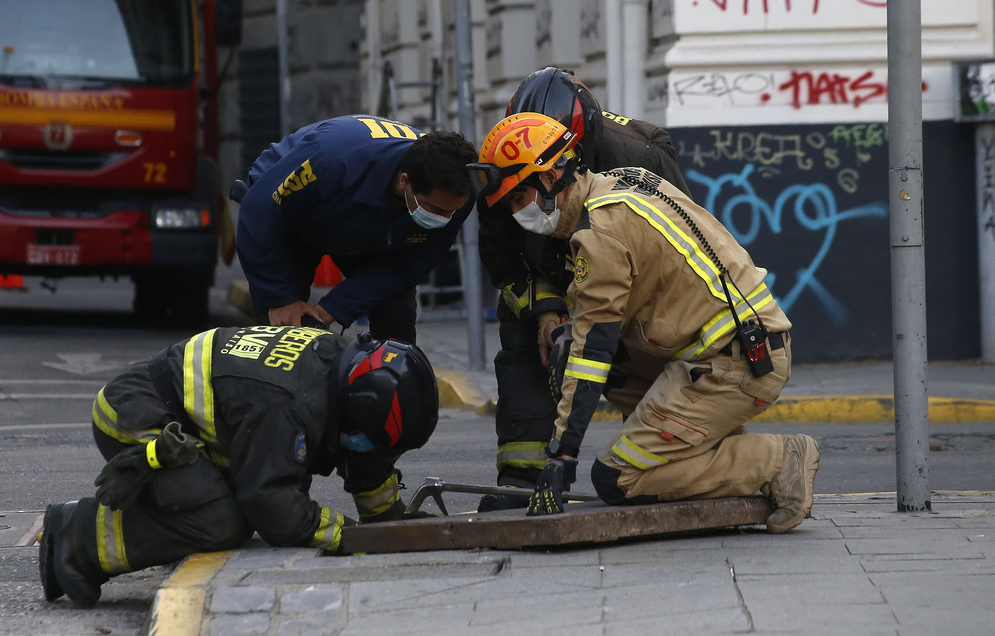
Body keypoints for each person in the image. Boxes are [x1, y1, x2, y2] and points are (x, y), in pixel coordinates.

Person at [468, 113, 819, 533]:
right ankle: (717, 452)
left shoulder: (599, 234)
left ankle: (777, 461)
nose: (516, 210)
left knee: (618, 478)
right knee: (603, 362)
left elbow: (590, 354)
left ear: (551, 176)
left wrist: (562, 457)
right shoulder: (625, 180)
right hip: (737, 346)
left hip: (730, 366)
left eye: (518, 195)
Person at [39, 325, 440, 608]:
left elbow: (365, 455)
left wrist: (390, 522)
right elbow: (271, 504)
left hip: (186, 418)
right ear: (361, 404)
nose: (369, 448)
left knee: (247, 494)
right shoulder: (289, 404)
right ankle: (78, 539)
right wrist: (347, 536)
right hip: (144, 420)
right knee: (223, 520)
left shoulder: (341, 366)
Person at [475, 67, 693, 509]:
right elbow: (507, 267)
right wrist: (548, 318)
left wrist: (588, 321)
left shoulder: (641, 158)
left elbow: (681, 249)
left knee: (613, 349)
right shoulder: (503, 164)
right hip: (552, 281)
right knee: (521, 333)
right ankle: (522, 475)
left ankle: (673, 447)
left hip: (625, 284)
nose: (547, 176)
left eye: (555, 165)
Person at [234, 115, 478, 344]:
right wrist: (280, 299)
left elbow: (405, 268)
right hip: (295, 210)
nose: (445, 219)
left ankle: (394, 383)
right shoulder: (329, 159)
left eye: (452, 212)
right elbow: (258, 214)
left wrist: (332, 309)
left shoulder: (458, 190)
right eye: (433, 209)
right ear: (405, 181)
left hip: (368, 225)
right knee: (281, 327)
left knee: (397, 315)